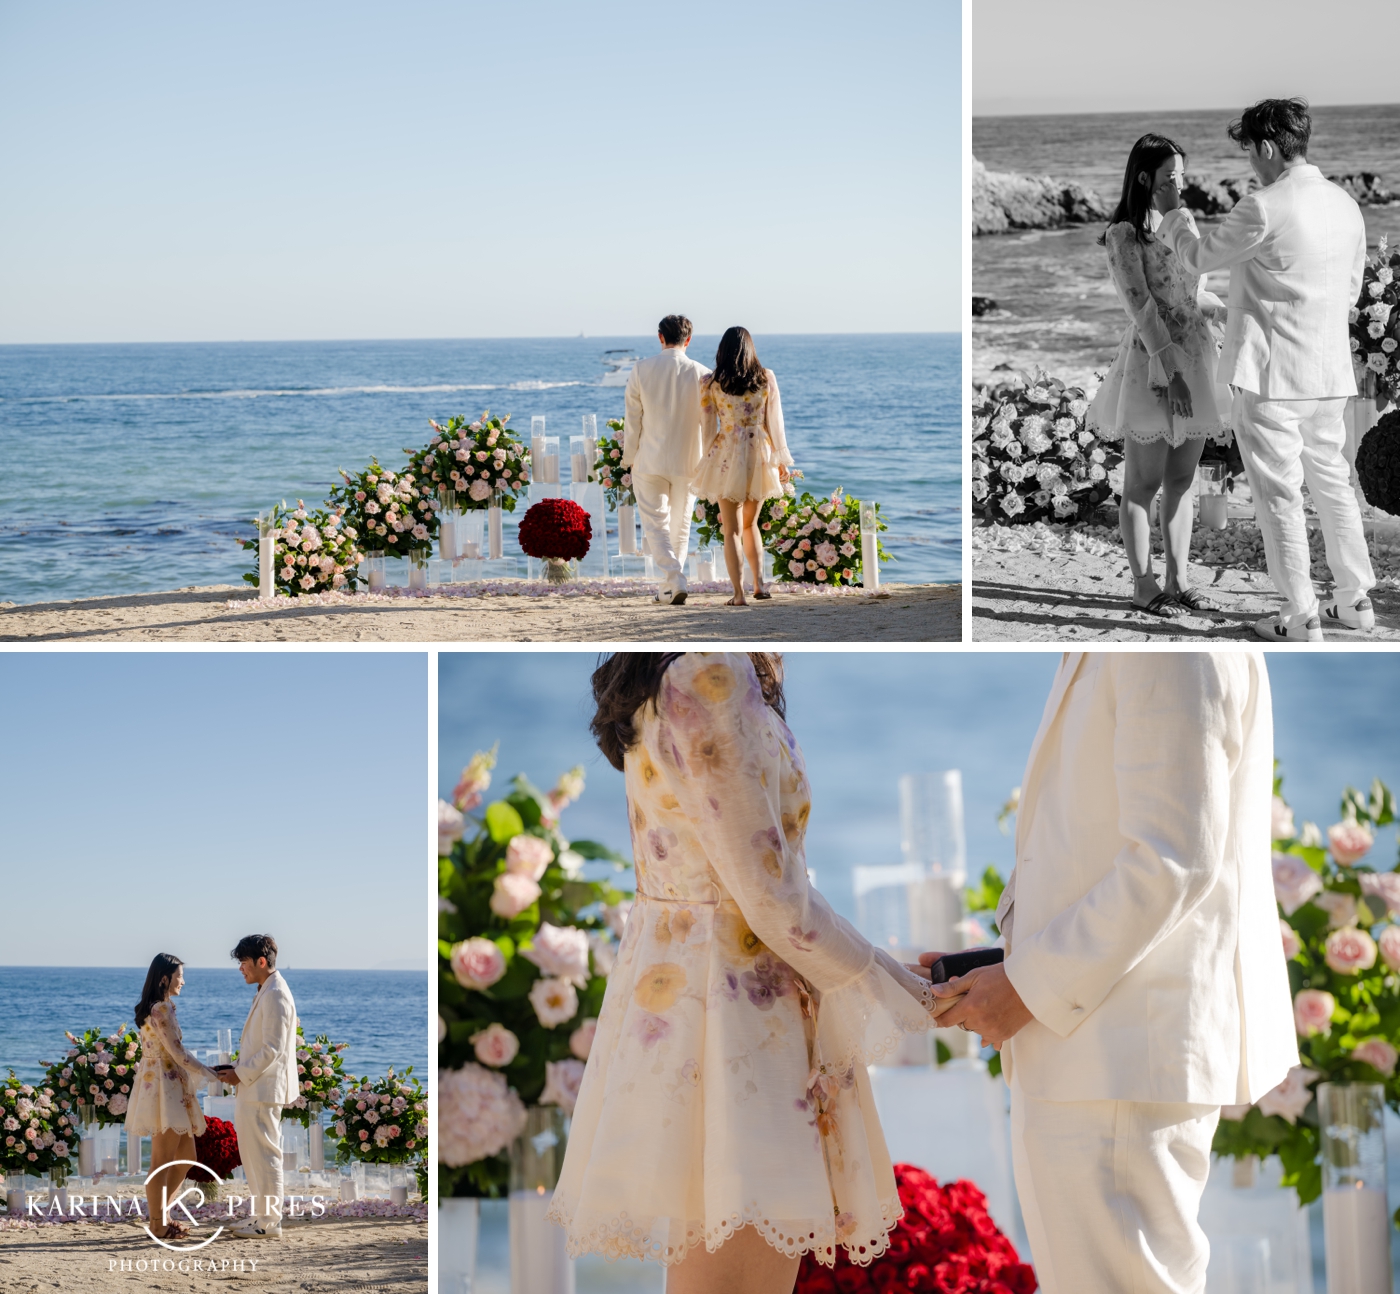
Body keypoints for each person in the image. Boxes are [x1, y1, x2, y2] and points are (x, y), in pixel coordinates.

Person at [548, 653, 940, 1294]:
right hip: (733, 1024)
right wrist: (887, 984)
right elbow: (769, 895)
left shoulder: (679, 667)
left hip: (698, 993)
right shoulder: (708, 670)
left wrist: (884, 971)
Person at [918, 653, 1298, 1294]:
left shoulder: (1170, 648)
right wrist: (1008, 965)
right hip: (1097, 1050)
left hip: (1119, 1058)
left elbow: (1172, 857)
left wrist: (1028, 987)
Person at [1153, 98, 1374, 641]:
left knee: (1279, 495)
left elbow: (1200, 258)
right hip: (1328, 375)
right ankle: (1355, 601)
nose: (1250, 162)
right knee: (1333, 485)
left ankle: (1300, 615)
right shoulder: (1347, 205)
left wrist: (1174, 216)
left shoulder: (1264, 206)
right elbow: (1350, 289)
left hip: (1272, 375)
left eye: (1250, 150)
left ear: (1269, 147)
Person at [1087, 134, 1232, 618]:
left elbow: (1193, 292)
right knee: (1142, 483)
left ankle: (1178, 580)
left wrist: (1230, 313)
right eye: (1170, 177)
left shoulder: (1183, 223)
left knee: (1183, 480)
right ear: (1145, 177)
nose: (1179, 185)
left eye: (1183, 177)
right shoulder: (1123, 235)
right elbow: (1143, 308)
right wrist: (1171, 373)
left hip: (1197, 356)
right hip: (1154, 365)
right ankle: (1144, 586)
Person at [124, 952, 224, 1241]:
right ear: (165, 978)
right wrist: (210, 1072)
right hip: (164, 1090)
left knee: (186, 1156)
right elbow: (177, 1053)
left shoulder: (161, 1007)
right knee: (162, 1159)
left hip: (167, 1085)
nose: (184, 981)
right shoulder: (161, 1009)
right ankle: (157, 1224)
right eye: (180, 976)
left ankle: (163, 1214)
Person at [693, 328, 795, 606]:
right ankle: (759, 585)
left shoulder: (710, 382)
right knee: (751, 525)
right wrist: (780, 458)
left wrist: (706, 460)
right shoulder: (766, 378)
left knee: (732, 530)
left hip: (726, 453)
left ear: (722, 350)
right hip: (758, 453)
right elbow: (775, 423)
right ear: (750, 349)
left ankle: (738, 594)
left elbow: (707, 427)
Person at [622, 314, 712, 605]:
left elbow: (632, 420)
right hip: (689, 460)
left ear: (660, 337)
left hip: (649, 458)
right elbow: (708, 424)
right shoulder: (703, 373)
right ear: (689, 340)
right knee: (680, 525)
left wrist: (630, 457)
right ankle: (671, 585)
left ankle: (673, 580)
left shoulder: (641, 368)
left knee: (656, 525)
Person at [215, 934, 299, 1240]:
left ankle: (269, 1223)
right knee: (254, 1156)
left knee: (265, 1156)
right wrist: (237, 1069)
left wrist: (241, 1074)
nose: (241, 968)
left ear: (261, 962)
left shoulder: (276, 993)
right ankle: (261, 1218)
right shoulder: (268, 988)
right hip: (255, 1087)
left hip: (263, 1090)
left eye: (244, 962)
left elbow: (272, 1048)